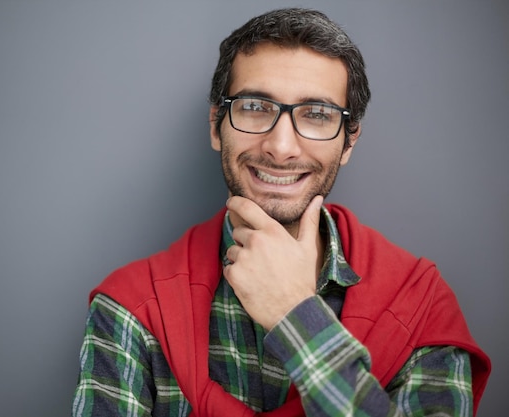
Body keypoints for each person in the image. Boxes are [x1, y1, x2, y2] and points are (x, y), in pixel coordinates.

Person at [72, 8, 491, 417]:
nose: (281, 146)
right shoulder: (130, 308)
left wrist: (298, 318)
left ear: (349, 141)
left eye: (317, 114)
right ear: (217, 125)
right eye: (255, 106)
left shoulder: (421, 305)